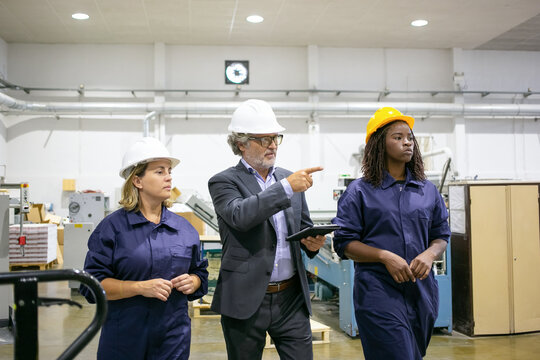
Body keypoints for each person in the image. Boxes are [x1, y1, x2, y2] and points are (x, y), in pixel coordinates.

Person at [208, 99, 326, 360]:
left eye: (275, 138)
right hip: (246, 299)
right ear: (241, 143)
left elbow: (302, 227)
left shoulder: (290, 178)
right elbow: (241, 215)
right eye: (263, 139)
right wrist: (285, 187)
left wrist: (312, 243)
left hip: (291, 299)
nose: (272, 145)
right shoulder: (223, 181)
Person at [332, 107, 450, 360]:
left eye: (409, 137)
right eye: (397, 137)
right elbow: (344, 243)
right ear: (379, 144)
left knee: (414, 354)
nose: (407, 142)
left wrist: (430, 255)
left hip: (422, 292)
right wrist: (385, 256)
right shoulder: (359, 192)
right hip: (378, 291)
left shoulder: (427, 191)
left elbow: (441, 236)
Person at [80, 137, 208, 360]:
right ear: (137, 180)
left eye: (169, 171)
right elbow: (92, 286)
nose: (169, 177)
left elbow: (201, 274)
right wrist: (139, 287)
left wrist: (193, 281)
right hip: (126, 340)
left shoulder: (184, 229)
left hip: (173, 338)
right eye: (159, 172)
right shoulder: (112, 229)